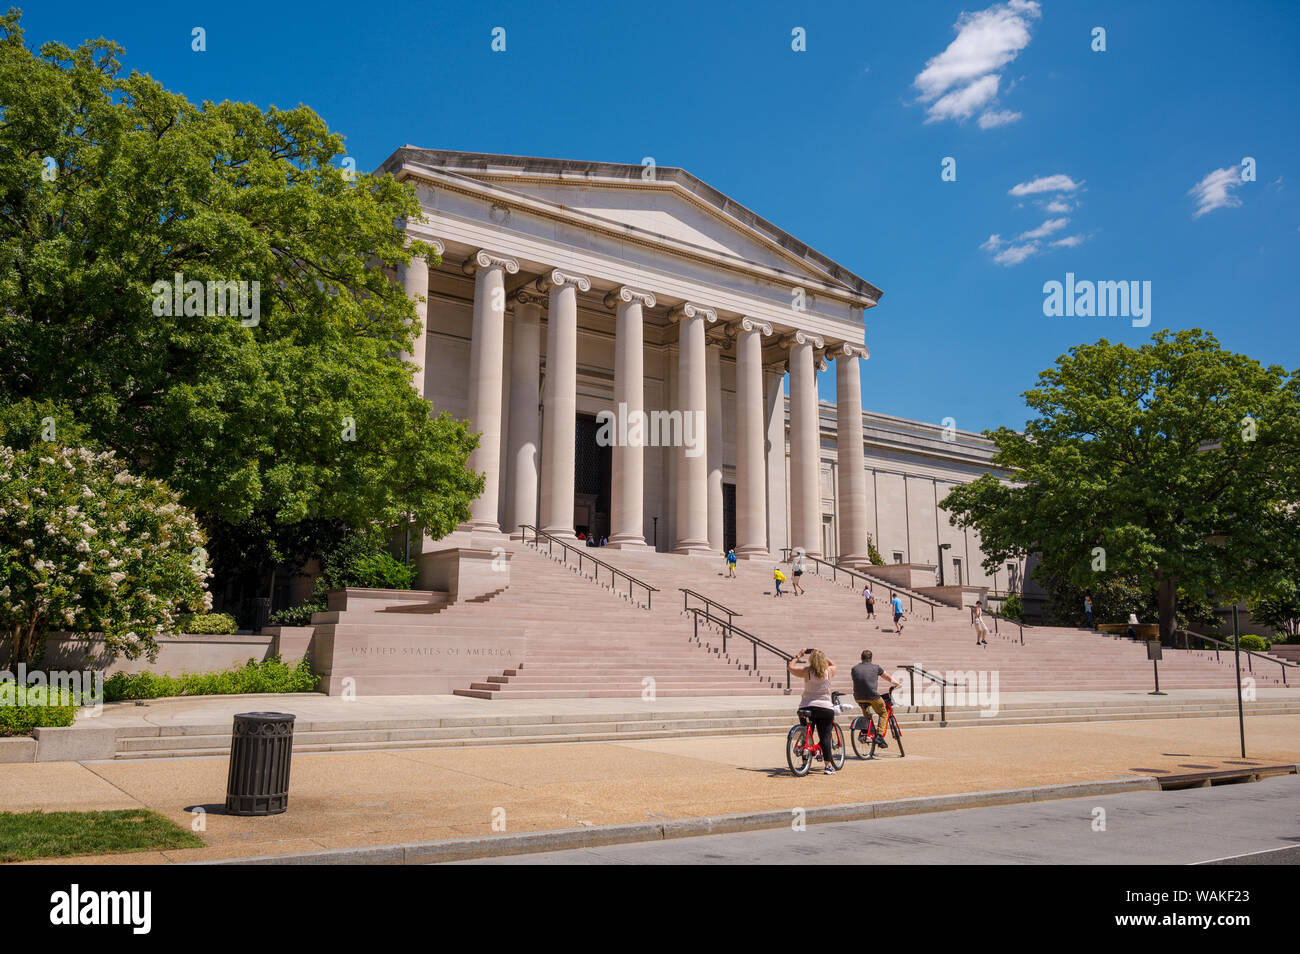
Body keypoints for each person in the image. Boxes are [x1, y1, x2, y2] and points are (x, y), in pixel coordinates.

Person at [788, 648, 839, 774]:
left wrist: (798, 656)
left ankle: (804, 764)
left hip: (806, 706)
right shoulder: (828, 671)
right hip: (825, 707)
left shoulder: (807, 672)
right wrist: (821, 654)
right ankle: (827, 766)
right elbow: (834, 665)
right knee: (825, 736)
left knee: (806, 736)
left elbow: (790, 667)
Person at [851, 650, 900, 748]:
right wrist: (896, 684)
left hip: (858, 697)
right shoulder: (876, 667)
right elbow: (887, 677)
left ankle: (866, 729)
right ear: (871, 659)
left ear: (861, 658)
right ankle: (879, 736)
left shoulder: (854, 668)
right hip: (873, 696)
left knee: (866, 712)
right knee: (883, 713)